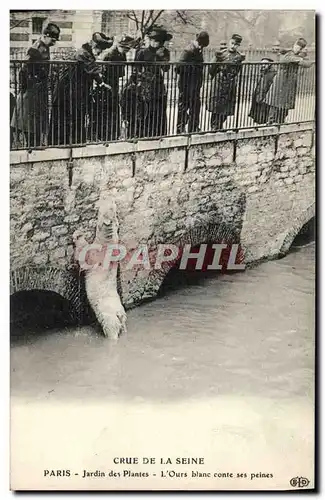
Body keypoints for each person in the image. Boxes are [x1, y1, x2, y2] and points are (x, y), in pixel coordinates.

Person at [49, 32, 112, 146]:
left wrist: (101, 83)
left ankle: (76, 143)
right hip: (66, 91)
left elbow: (92, 70)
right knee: (65, 118)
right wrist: (102, 82)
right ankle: (61, 144)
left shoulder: (87, 54)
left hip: (75, 91)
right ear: (94, 46)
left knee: (76, 117)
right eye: (99, 50)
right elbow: (92, 69)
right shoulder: (83, 53)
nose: (99, 53)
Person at [11, 23, 60, 148]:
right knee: (30, 123)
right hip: (32, 91)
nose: (54, 43)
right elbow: (23, 70)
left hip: (39, 91)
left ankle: (36, 146)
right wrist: (26, 87)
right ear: (45, 35)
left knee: (37, 122)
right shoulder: (35, 49)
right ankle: (32, 147)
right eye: (53, 40)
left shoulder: (45, 47)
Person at [121, 26, 172, 138]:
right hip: (143, 85)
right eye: (152, 40)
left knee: (158, 112)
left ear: (161, 42)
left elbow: (166, 68)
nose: (153, 43)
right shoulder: (142, 52)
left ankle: (157, 135)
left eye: (156, 41)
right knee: (143, 112)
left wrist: (162, 57)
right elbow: (136, 69)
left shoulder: (164, 52)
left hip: (157, 85)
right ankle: (142, 135)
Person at [91, 35, 135, 142]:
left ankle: (112, 135)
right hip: (105, 85)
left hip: (114, 83)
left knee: (113, 109)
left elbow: (121, 72)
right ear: (121, 46)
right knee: (105, 110)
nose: (127, 51)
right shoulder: (110, 54)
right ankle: (102, 136)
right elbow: (101, 70)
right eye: (126, 48)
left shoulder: (121, 55)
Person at [264, 38, 312, 124]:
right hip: (281, 82)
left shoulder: (299, 55)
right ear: (294, 45)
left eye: (300, 48)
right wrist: (299, 60)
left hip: (290, 84)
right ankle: (270, 123)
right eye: (297, 46)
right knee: (276, 103)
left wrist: (300, 59)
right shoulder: (288, 53)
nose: (298, 49)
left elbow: (308, 64)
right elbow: (284, 60)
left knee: (286, 105)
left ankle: (281, 122)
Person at [207, 33, 245, 131]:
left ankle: (219, 125)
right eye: (232, 43)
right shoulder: (221, 53)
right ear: (229, 42)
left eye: (236, 44)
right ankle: (214, 127)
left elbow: (237, 70)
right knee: (216, 106)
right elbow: (211, 68)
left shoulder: (238, 56)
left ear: (238, 46)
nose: (233, 46)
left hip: (230, 84)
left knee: (226, 108)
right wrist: (217, 76)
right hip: (219, 82)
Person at [176, 31, 210, 134]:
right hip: (186, 84)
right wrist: (192, 68)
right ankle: (180, 128)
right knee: (184, 106)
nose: (201, 47)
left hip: (195, 85)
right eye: (201, 45)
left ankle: (193, 127)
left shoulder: (198, 50)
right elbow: (178, 68)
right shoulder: (188, 50)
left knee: (196, 106)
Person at [248, 58, 277, 124]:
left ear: (269, 64)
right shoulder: (264, 71)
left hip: (264, 94)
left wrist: (260, 95)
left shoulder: (270, 73)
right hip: (260, 93)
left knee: (262, 111)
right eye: (262, 64)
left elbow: (265, 85)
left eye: (265, 64)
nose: (263, 65)